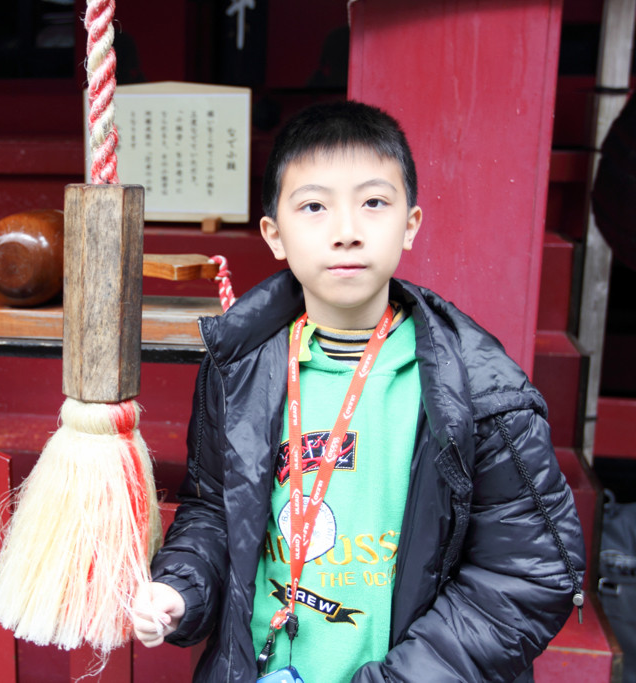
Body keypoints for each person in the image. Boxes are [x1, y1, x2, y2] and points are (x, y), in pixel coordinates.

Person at [131, 100, 586, 682]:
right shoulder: (244, 366)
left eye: (374, 203)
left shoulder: (478, 387)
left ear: (411, 224)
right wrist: (182, 586)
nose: (346, 232)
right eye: (314, 207)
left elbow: (528, 573)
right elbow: (214, 511)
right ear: (275, 234)